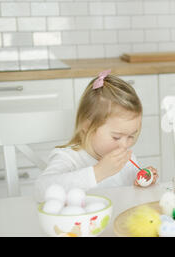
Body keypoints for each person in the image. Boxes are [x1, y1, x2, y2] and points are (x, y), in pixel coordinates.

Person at [35, 70, 158, 201]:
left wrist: (142, 182)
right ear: (88, 127)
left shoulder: (126, 159)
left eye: (131, 136)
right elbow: (41, 190)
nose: (125, 145)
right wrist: (98, 172)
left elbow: (129, 195)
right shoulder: (70, 158)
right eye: (116, 137)